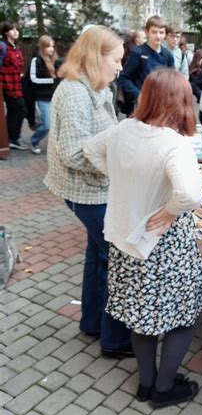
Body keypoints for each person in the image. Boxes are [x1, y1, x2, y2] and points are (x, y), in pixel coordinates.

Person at [83, 68, 202, 408]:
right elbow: (191, 195)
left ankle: (147, 384)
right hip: (162, 244)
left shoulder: (123, 129)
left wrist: (122, 177)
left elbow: (90, 151)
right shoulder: (173, 143)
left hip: (128, 240)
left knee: (142, 315)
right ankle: (163, 389)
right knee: (183, 315)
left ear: (147, 96)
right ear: (180, 101)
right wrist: (168, 210)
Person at [44, 25, 132, 357]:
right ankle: (115, 340)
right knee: (117, 258)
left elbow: (104, 134)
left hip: (94, 189)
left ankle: (92, 322)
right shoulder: (74, 92)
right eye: (117, 60)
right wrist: (119, 162)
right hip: (86, 192)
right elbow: (74, 152)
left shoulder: (95, 86)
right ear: (97, 56)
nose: (120, 67)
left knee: (98, 256)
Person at [118, 16, 174, 115]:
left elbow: (172, 81)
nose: (158, 36)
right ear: (147, 32)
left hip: (161, 105)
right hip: (141, 105)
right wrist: (138, 94)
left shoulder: (168, 55)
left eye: (161, 32)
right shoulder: (138, 52)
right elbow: (124, 77)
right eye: (154, 32)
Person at [28, 35, 59, 154]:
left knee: (58, 123)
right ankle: (34, 141)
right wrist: (52, 81)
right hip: (43, 98)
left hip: (55, 97)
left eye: (52, 46)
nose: (51, 49)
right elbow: (33, 79)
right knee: (46, 124)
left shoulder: (56, 60)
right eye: (48, 46)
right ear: (41, 47)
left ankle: (58, 145)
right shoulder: (36, 60)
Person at [0, 22, 28, 149]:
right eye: (12, 29)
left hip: (17, 85)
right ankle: (13, 138)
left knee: (14, 111)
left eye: (17, 29)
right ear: (6, 32)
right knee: (20, 109)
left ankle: (10, 138)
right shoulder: (2, 46)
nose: (16, 32)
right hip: (8, 86)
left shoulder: (16, 48)